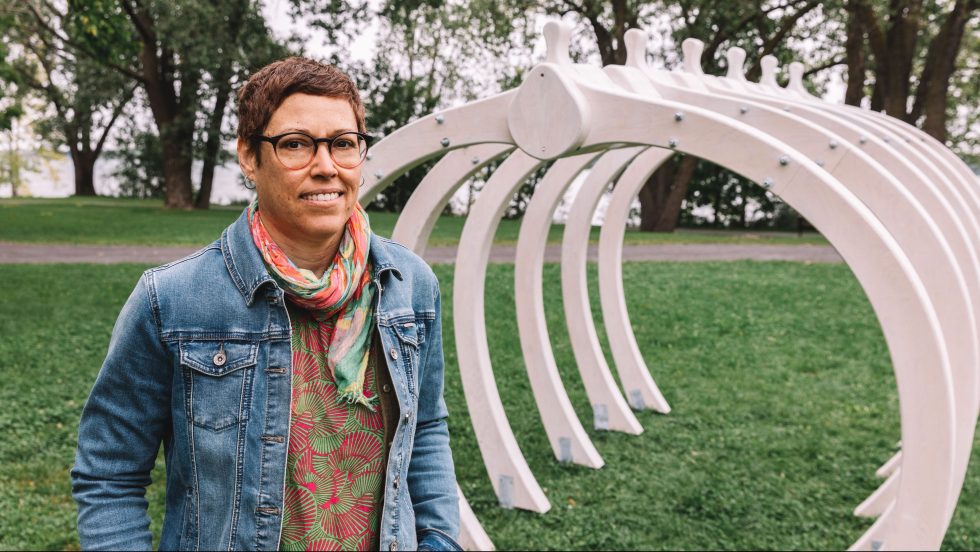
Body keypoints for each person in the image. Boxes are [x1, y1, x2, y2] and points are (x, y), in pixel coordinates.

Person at [71, 57, 462, 552]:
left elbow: (424, 427)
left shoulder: (409, 286)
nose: (325, 166)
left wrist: (441, 540)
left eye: (343, 144)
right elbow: (109, 473)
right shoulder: (171, 301)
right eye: (296, 144)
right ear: (250, 157)